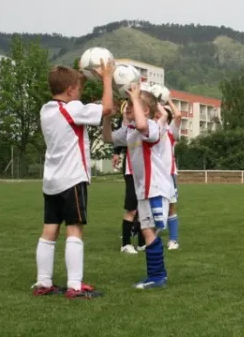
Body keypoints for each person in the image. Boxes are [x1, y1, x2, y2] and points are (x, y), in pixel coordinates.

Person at [33, 59, 114, 299]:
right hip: (72, 179)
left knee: (49, 231)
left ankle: (43, 282)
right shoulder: (72, 109)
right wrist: (107, 78)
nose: (81, 94)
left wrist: (83, 75)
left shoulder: (47, 109)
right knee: (75, 229)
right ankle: (75, 286)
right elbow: (108, 108)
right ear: (70, 91)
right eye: (79, 90)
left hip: (51, 181)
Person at [103, 86, 174, 289]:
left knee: (149, 231)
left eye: (133, 105)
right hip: (144, 189)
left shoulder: (152, 126)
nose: (128, 108)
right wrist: (107, 117)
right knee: (146, 230)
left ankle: (158, 277)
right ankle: (156, 275)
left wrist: (135, 96)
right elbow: (108, 138)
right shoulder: (130, 130)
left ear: (145, 111)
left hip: (156, 188)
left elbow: (144, 127)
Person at [114, 100, 145, 254]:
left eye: (130, 108)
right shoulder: (126, 129)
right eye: (125, 109)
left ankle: (141, 242)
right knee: (132, 209)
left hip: (144, 173)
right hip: (131, 173)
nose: (127, 110)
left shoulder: (144, 126)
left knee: (142, 208)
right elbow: (112, 138)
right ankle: (125, 244)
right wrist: (116, 153)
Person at [155, 97, 182, 250]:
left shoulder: (171, 131)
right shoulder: (152, 129)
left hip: (168, 174)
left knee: (171, 207)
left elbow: (178, 116)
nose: (159, 114)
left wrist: (169, 100)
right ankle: (152, 238)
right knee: (154, 207)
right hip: (153, 174)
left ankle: (173, 240)